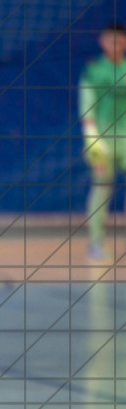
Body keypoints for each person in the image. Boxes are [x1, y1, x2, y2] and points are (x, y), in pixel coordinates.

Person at [80, 22, 126, 262]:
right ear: (102, 42)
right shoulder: (94, 71)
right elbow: (87, 110)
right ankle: (96, 243)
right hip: (103, 140)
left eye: (119, 40)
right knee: (101, 190)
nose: (115, 45)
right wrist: (93, 142)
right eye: (111, 40)